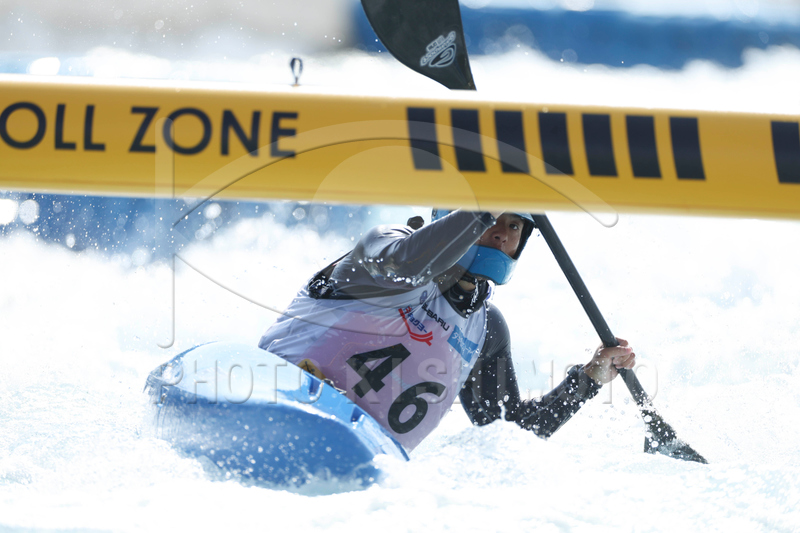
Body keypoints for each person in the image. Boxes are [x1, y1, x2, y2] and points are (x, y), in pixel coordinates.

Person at [258, 209, 635, 452]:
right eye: (494, 218)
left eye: (514, 225)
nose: (501, 234)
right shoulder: (384, 247)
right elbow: (406, 265)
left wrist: (590, 378)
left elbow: (510, 431)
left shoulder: (485, 330)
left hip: (358, 460)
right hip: (270, 404)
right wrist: (482, 208)